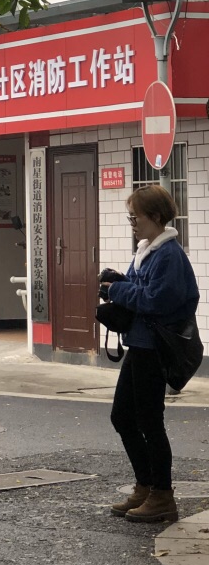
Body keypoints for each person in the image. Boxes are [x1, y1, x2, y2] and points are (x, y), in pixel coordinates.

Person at [99, 184, 199, 524]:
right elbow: (144, 291)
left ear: (155, 217)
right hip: (139, 345)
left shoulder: (169, 255)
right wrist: (120, 281)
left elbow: (157, 300)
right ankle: (146, 486)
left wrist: (118, 289)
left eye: (135, 216)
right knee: (124, 417)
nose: (131, 222)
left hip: (152, 349)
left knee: (148, 422)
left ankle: (162, 495)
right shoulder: (149, 251)